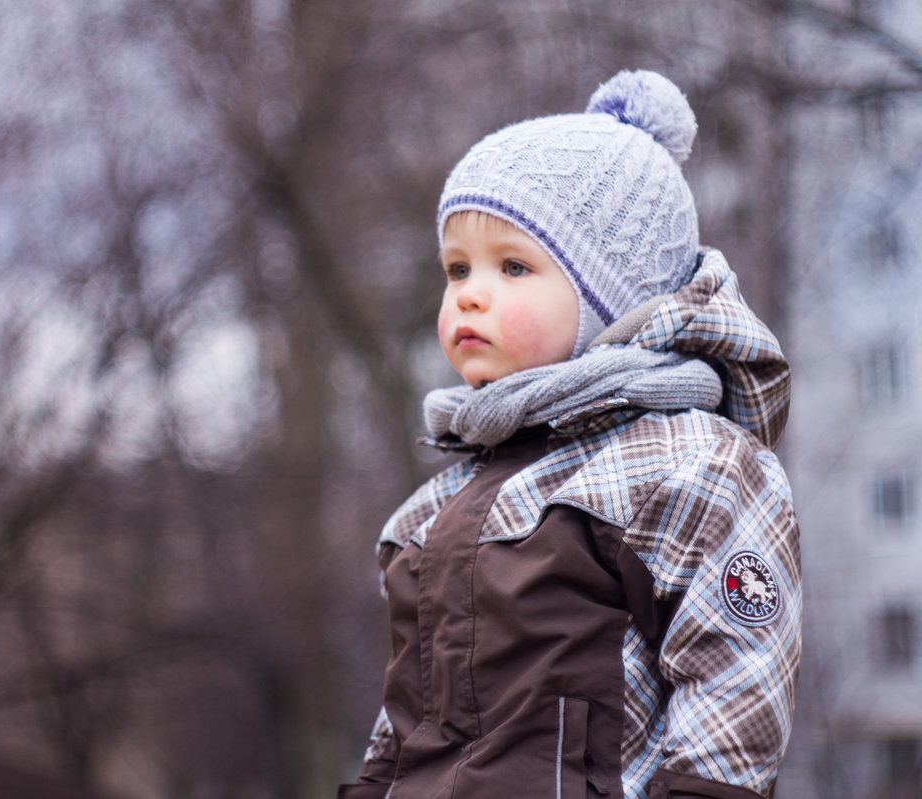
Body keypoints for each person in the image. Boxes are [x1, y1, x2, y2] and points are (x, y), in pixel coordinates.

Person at [338, 70, 801, 799]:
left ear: (611, 299)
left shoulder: (690, 465)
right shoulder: (434, 508)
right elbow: (405, 720)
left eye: (513, 265)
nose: (469, 292)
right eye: (456, 268)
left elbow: (737, 673)